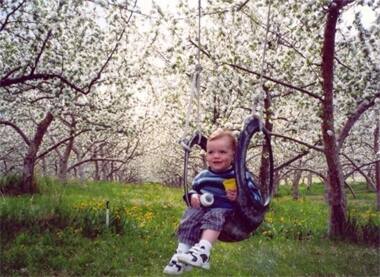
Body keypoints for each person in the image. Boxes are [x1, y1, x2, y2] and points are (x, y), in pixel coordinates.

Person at [163, 128, 262, 275]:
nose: (216, 156)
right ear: (206, 154)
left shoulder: (240, 176)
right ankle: (182, 254)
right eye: (211, 152)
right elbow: (193, 190)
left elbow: (256, 199)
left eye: (222, 152)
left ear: (233, 155)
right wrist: (193, 197)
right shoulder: (202, 176)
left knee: (215, 213)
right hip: (206, 213)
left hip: (231, 217)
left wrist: (240, 196)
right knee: (190, 214)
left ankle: (203, 252)